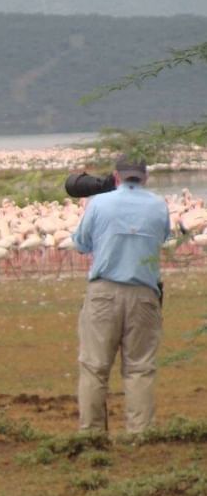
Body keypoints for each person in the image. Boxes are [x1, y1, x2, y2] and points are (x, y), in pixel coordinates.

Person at [71, 155, 170, 434]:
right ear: (145, 177)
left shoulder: (99, 203)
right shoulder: (158, 205)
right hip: (144, 294)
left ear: (116, 176)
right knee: (140, 368)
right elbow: (162, 238)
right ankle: (140, 435)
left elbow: (80, 244)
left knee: (94, 366)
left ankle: (91, 434)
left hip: (103, 293)